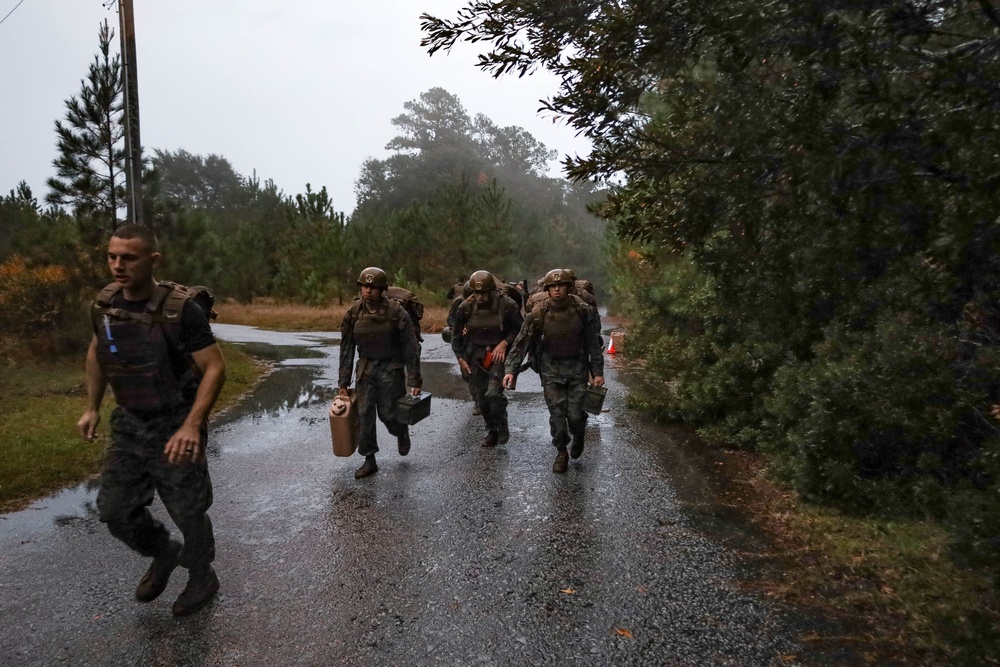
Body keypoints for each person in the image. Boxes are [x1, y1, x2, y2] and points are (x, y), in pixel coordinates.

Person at [77, 223, 227, 617]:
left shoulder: (182, 311)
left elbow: (214, 368)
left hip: (175, 420)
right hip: (129, 421)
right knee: (114, 509)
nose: (118, 265)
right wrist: (92, 406)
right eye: (112, 256)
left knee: (188, 508)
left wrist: (192, 424)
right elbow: (97, 352)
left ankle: (201, 575)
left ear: (152, 259)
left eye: (128, 257)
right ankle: (163, 552)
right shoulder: (107, 303)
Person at [503, 268, 605, 473]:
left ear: (568, 287)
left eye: (561, 286)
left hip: (577, 369)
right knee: (557, 417)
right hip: (550, 370)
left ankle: (579, 435)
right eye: (553, 287)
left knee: (576, 415)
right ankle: (561, 452)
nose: (557, 290)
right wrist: (511, 370)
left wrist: (597, 372)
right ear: (547, 289)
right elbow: (521, 343)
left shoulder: (582, 310)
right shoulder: (538, 313)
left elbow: (592, 343)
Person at [339, 267, 423, 479]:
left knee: (388, 414)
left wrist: (414, 378)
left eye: (373, 287)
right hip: (365, 369)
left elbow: (410, 347)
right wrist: (343, 382)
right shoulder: (354, 312)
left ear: (382, 290)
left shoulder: (396, 312)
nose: (368, 291)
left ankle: (400, 431)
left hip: (391, 369)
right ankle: (369, 459)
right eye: (365, 286)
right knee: (365, 413)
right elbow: (346, 348)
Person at [451, 270, 524, 446]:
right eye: (476, 293)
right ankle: (491, 430)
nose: (480, 296)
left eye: (484, 292)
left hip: (498, 357)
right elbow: (456, 336)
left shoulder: (507, 305)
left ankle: (502, 424)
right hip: (475, 357)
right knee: (480, 398)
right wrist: (460, 358)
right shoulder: (465, 307)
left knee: (493, 394)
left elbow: (521, 331)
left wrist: (504, 343)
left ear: (492, 290)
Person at [446, 280, 481, 416]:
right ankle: (477, 398)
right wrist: (459, 329)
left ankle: (481, 401)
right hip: (465, 342)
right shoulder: (459, 303)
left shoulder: (486, 304)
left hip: (480, 341)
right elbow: (451, 318)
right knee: (467, 373)